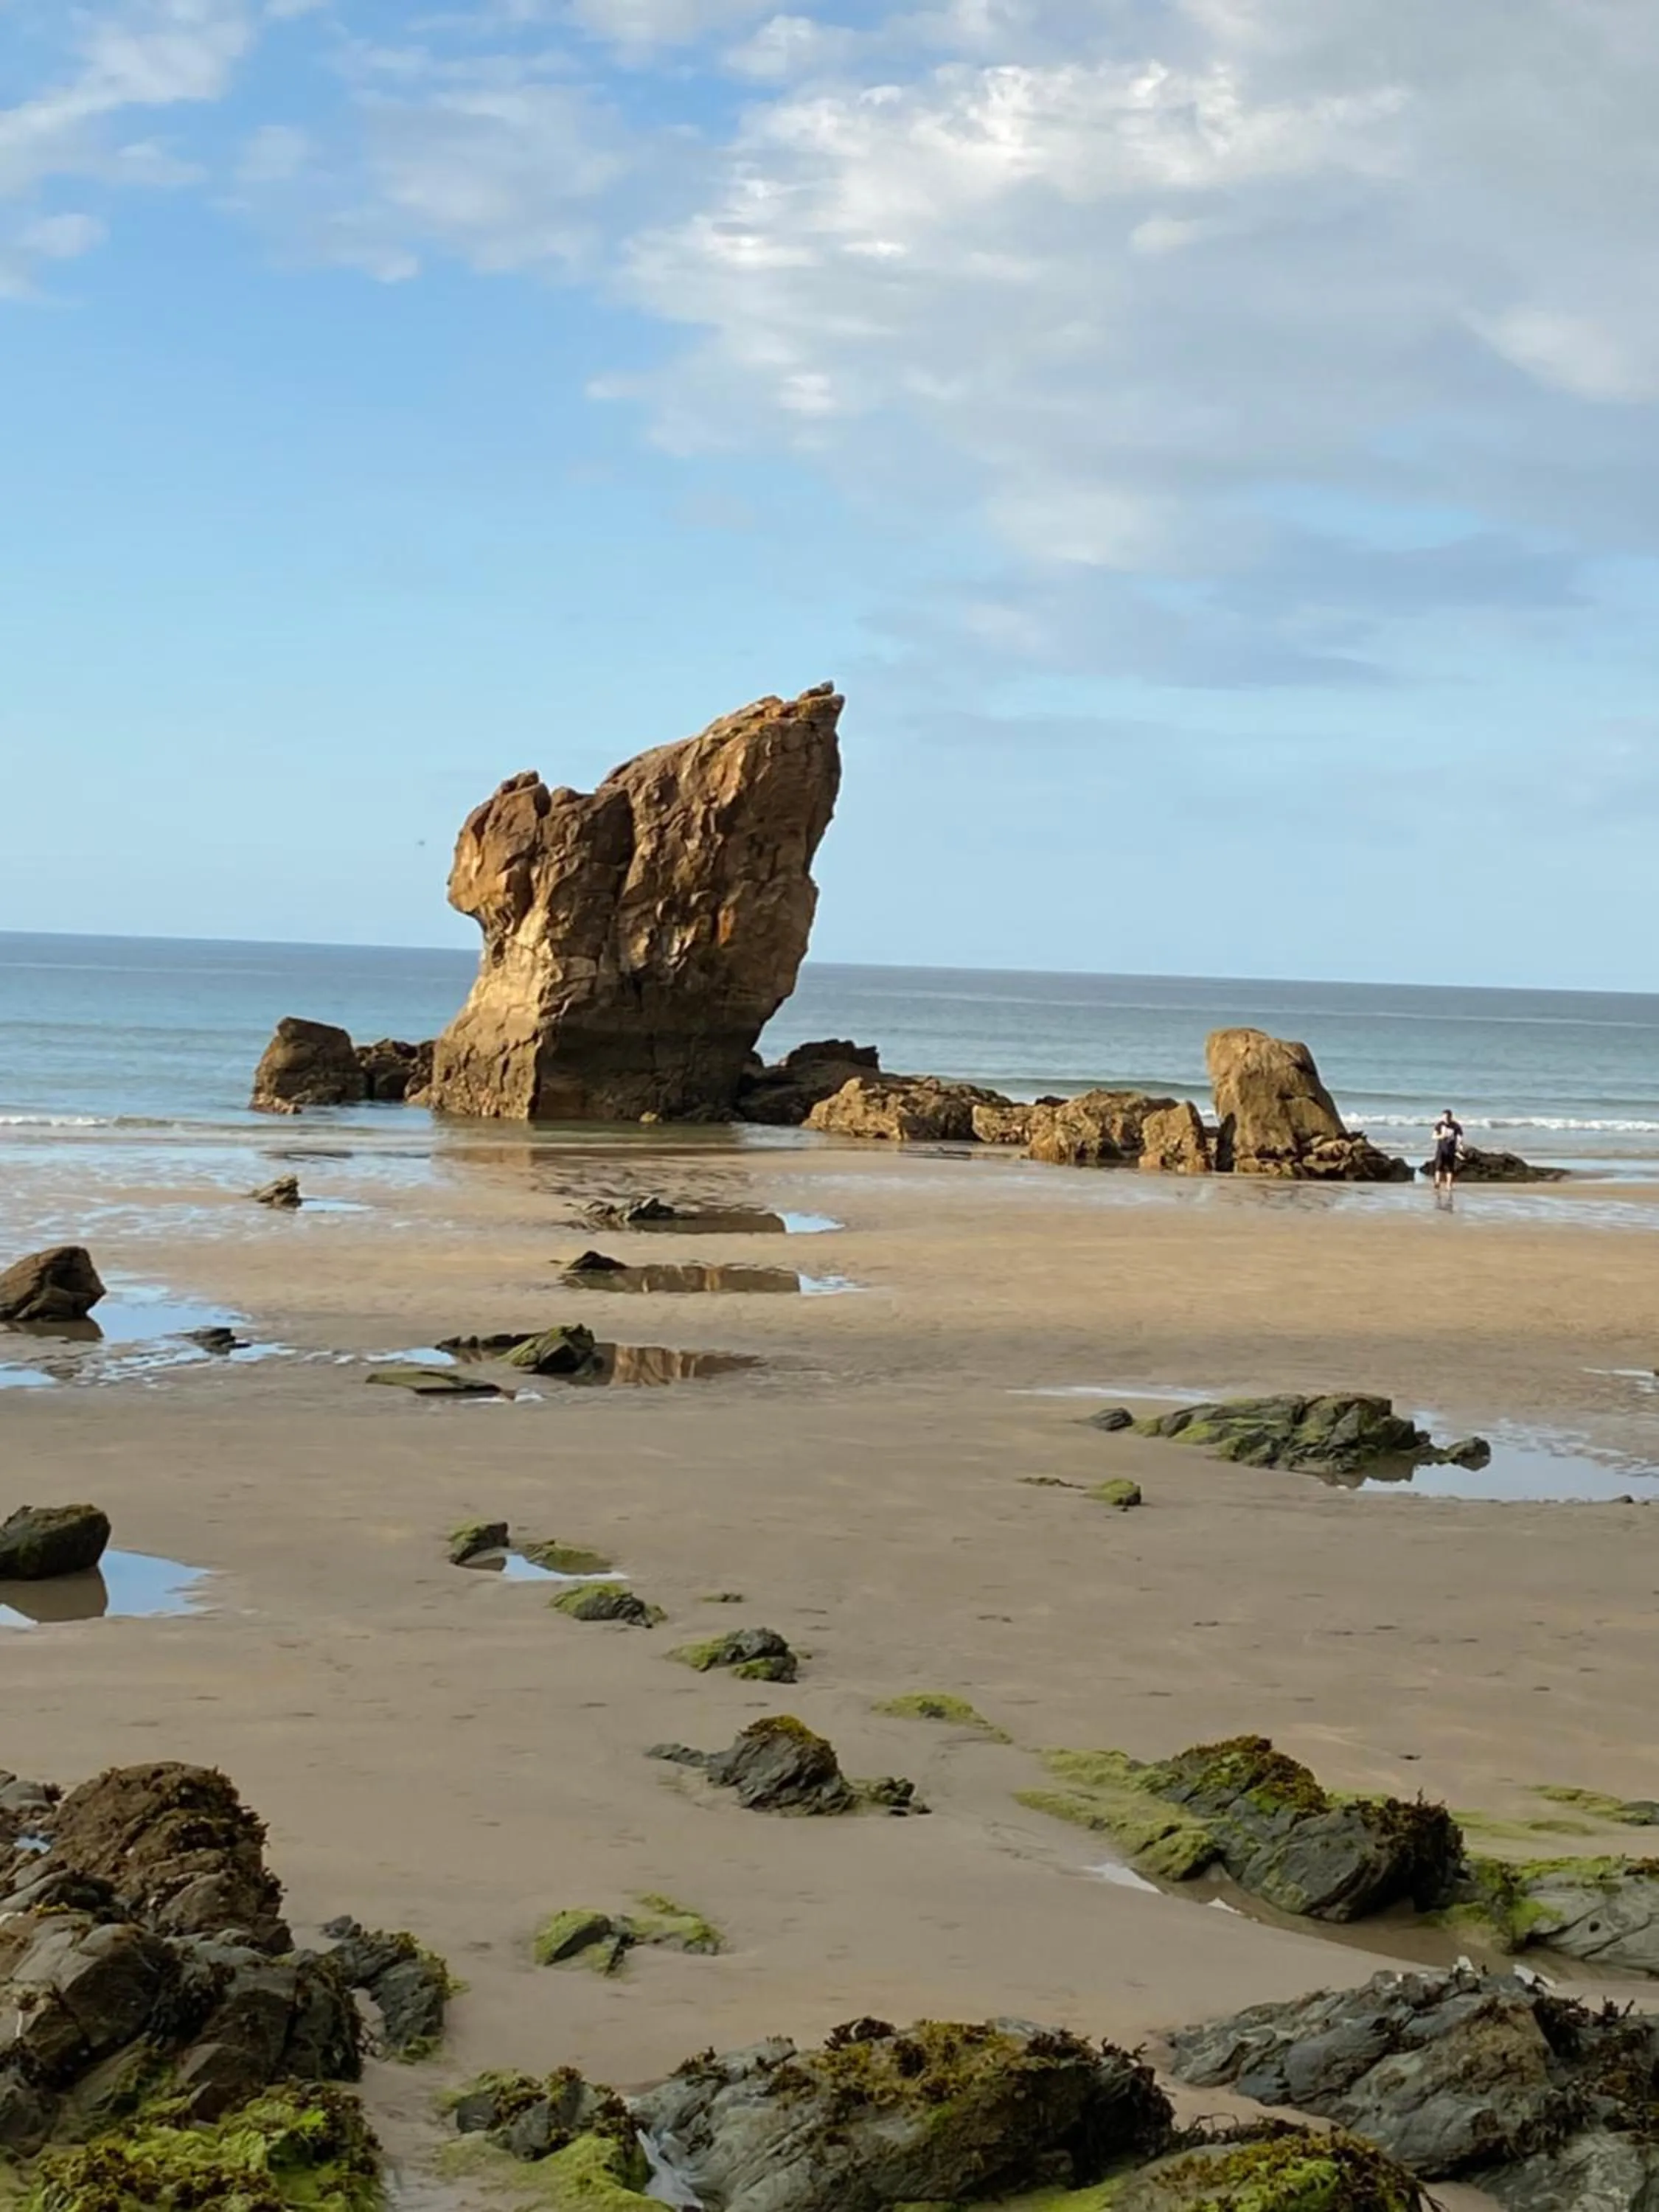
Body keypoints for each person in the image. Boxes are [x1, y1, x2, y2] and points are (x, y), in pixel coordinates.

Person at [1432, 1109, 1464, 1194]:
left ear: (1451, 1117)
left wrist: (1460, 1145)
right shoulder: (1439, 1125)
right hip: (1441, 1149)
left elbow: (1460, 1136)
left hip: (1451, 1149)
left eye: (1448, 1117)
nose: (1446, 1119)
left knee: (1449, 1168)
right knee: (1438, 1166)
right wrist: (1441, 1136)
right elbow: (1433, 1136)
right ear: (1442, 1117)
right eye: (1444, 1117)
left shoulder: (1455, 1126)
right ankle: (1437, 1183)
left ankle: (1449, 1185)